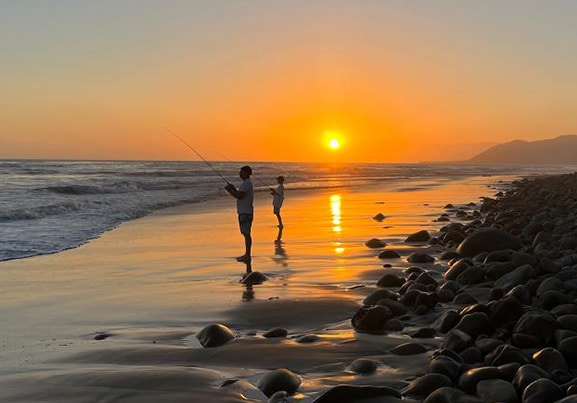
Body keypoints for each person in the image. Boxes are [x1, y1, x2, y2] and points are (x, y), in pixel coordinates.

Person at [225, 165, 254, 262]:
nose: (239, 173)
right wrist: (233, 189)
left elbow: (239, 196)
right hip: (246, 211)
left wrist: (230, 191)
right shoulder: (247, 183)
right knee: (246, 234)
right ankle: (247, 254)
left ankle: (247, 255)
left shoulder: (246, 184)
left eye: (241, 172)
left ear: (246, 173)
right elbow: (240, 194)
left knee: (246, 234)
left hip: (245, 212)